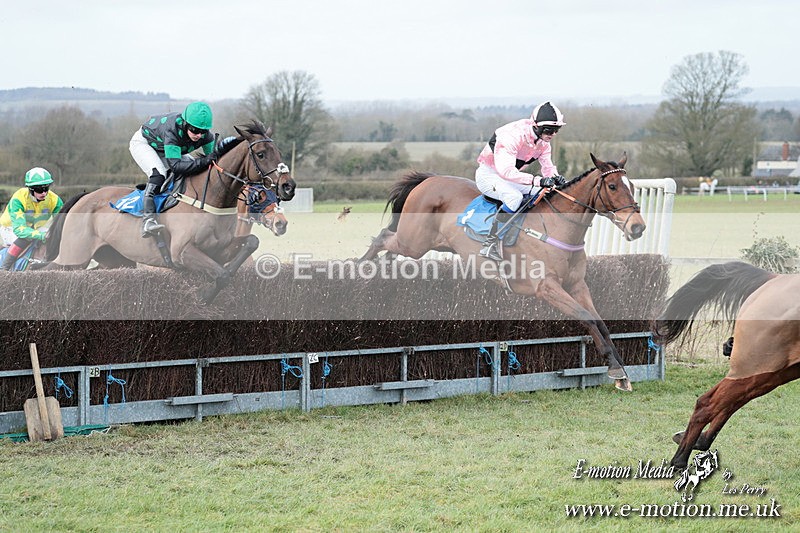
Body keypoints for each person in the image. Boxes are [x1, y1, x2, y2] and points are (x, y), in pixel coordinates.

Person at [475, 101, 567, 260]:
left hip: (510, 177)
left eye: (556, 130)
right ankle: (490, 243)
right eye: (549, 130)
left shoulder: (543, 142)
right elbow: (506, 171)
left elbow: (547, 167)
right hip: (489, 175)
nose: (552, 134)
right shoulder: (512, 136)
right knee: (514, 197)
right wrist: (537, 181)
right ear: (536, 125)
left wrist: (554, 177)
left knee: (546, 193)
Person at [128, 101, 217, 237]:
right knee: (159, 175)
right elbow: (176, 166)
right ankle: (148, 220)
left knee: (196, 170)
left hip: (168, 148)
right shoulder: (173, 130)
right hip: (145, 143)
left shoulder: (206, 136)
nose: (199, 135)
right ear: (185, 123)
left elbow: (215, 163)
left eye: (203, 131)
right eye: (194, 130)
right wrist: (204, 161)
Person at [0, 167, 63, 270]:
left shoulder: (55, 200)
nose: (44, 193)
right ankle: (4, 269)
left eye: (46, 188)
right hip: (11, 228)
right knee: (26, 238)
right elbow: (20, 230)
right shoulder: (19, 199)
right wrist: (43, 235)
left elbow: (60, 224)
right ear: (30, 189)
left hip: (34, 228)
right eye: (39, 189)